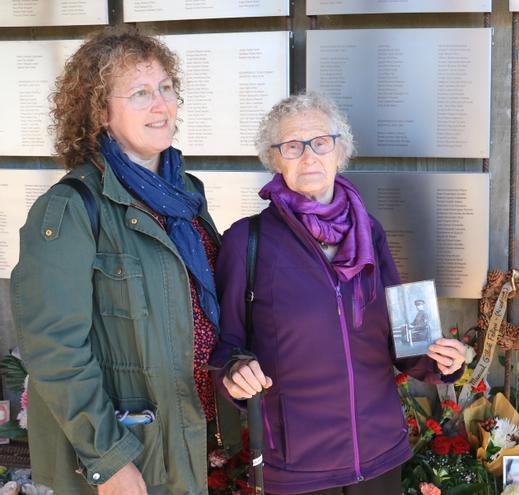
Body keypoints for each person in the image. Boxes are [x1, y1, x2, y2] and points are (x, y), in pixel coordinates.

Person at [209, 91, 468, 495]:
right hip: (301, 466)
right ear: (275, 159)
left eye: (320, 142)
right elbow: (227, 348)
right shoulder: (248, 241)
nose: (308, 156)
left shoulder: (370, 230)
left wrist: (444, 362)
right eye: (292, 146)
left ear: (339, 151)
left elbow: (406, 337)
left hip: (381, 451)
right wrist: (236, 375)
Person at [11, 26, 230, 494]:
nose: (161, 105)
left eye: (166, 88)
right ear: (101, 114)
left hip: (194, 435)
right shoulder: (71, 208)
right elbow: (55, 350)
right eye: (139, 93)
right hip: (135, 452)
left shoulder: (185, 193)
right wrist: (108, 460)